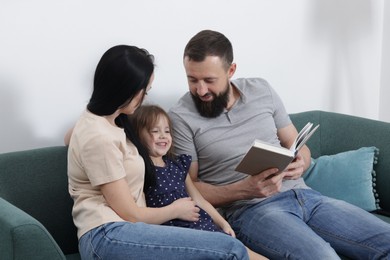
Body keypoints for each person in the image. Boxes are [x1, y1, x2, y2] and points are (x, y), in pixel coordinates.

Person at [168, 30, 390, 259]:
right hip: (251, 211)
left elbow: (297, 144)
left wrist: (301, 162)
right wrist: (244, 189)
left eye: (209, 80)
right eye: (192, 80)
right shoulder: (180, 116)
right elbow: (189, 187)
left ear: (231, 70)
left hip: (306, 196)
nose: (201, 90)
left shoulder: (261, 90)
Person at [67, 45, 250, 260]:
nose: (145, 97)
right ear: (125, 89)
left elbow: (72, 138)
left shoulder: (105, 121)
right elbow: (131, 214)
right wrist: (175, 210)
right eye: (144, 90)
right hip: (107, 234)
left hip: (125, 231)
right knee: (231, 250)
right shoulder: (99, 136)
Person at [129, 105, 268, 260]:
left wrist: (223, 223)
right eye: (155, 131)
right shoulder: (140, 168)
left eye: (167, 131)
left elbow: (199, 200)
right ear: (137, 135)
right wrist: (174, 210)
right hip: (177, 234)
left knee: (250, 255)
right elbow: (139, 212)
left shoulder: (177, 165)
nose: (163, 136)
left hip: (204, 226)